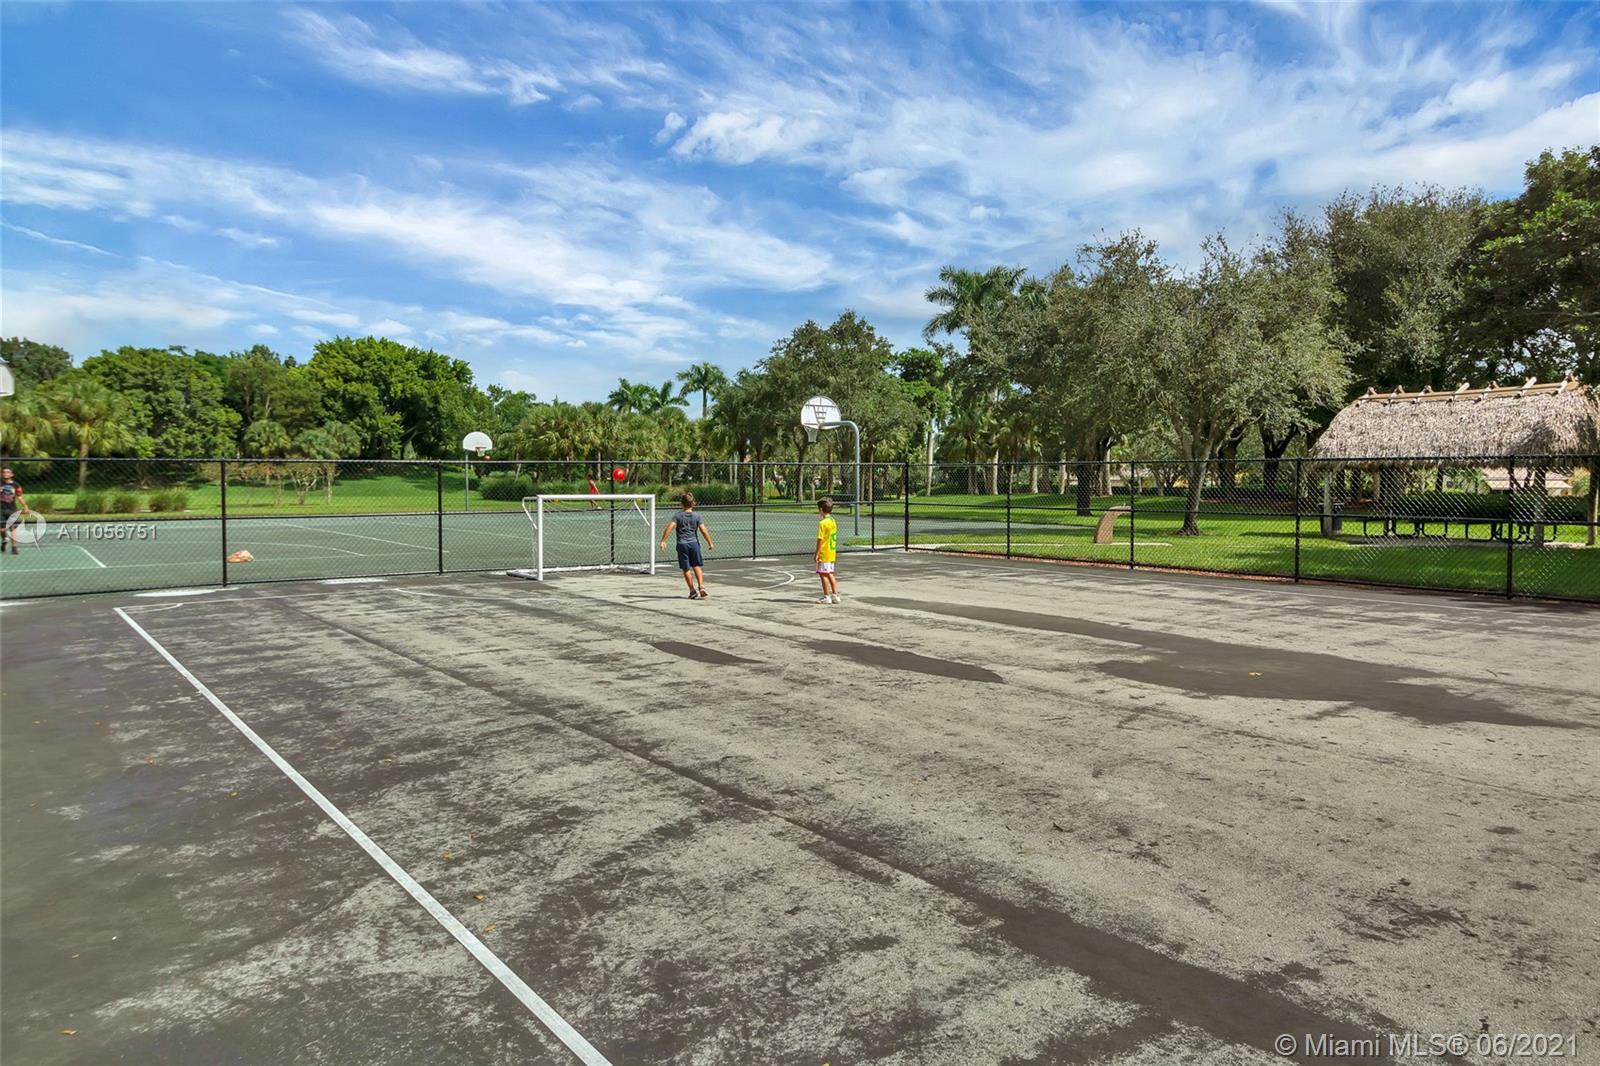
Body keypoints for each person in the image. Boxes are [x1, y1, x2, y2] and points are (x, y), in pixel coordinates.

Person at [659, 491, 714, 599]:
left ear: (681, 504)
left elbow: (670, 527)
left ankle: (692, 590)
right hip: (694, 544)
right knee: (696, 566)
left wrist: (663, 540)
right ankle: (701, 587)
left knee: (686, 568)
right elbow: (703, 530)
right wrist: (710, 542)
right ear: (693, 504)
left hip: (682, 545)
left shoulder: (678, 516)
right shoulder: (697, 516)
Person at [814, 496, 839, 604]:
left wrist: (817, 553)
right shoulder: (833, 521)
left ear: (820, 509)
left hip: (824, 552)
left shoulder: (822, 523)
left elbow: (820, 539)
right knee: (830, 573)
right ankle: (835, 595)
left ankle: (827, 596)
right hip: (831, 552)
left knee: (823, 574)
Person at [0, 467, 26, 556]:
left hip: (12, 510)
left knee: (13, 529)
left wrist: (25, 506)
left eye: (8, 472)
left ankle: (14, 547)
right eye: (4, 472)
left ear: (11, 474)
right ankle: (4, 540)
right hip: (1, 510)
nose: (6, 473)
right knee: (2, 529)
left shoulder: (16, 485)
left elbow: (19, 496)